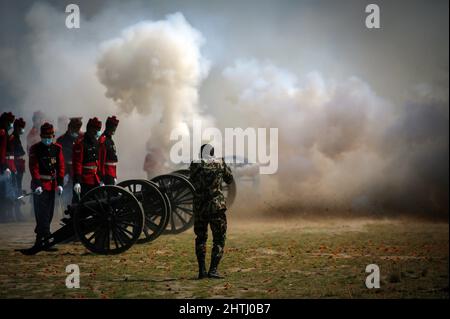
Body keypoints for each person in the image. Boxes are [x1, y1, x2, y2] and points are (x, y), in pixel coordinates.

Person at [189, 144, 234, 279]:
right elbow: (229, 179)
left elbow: (191, 179)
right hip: (216, 207)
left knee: (201, 238)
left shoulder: (195, 165)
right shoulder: (220, 163)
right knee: (219, 239)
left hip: (200, 207)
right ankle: (213, 270)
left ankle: (202, 270)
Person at [28, 123, 64, 249]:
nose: (47, 138)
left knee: (49, 214)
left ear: (53, 136)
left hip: (52, 185)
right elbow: (34, 168)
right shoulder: (35, 149)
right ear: (41, 136)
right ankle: (47, 239)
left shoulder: (57, 148)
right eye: (45, 136)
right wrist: (37, 184)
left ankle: (39, 240)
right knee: (41, 214)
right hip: (40, 186)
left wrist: (60, 184)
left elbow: (60, 167)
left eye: (49, 136)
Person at [72, 117, 103, 201]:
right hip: (84, 179)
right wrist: (77, 181)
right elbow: (77, 163)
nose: (97, 131)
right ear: (90, 129)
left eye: (98, 129)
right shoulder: (81, 143)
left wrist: (101, 178)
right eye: (96, 129)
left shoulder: (96, 142)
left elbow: (98, 162)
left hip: (95, 178)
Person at [56, 117, 82, 207]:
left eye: (78, 128)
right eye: (75, 128)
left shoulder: (81, 137)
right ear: (69, 128)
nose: (77, 131)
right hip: (66, 169)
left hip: (78, 170)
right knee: (66, 193)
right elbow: (59, 159)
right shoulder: (61, 140)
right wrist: (63, 174)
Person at [0, 112, 16, 222]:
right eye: (10, 122)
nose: (11, 124)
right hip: (3, 165)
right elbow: (2, 151)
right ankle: (4, 215)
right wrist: (5, 167)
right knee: (5, 191)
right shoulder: (2, 132)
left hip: (5, 164)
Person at [11, 117, 27, 221]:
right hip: (15, 166)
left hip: (19, 165)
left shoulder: (16, 137)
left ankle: (18, 212)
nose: (22, 130)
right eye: (21, 128)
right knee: (16, 189)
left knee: (18, 188)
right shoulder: (12, 138)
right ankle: (16, 213)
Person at [100, 116, 119, 185]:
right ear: (109, 127)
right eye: (113, 127)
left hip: (111, 172)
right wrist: (101, 178)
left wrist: (114, 176)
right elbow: (101, 160)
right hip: (106, 172)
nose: (114, 129)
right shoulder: (103, 139)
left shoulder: (110, 140)